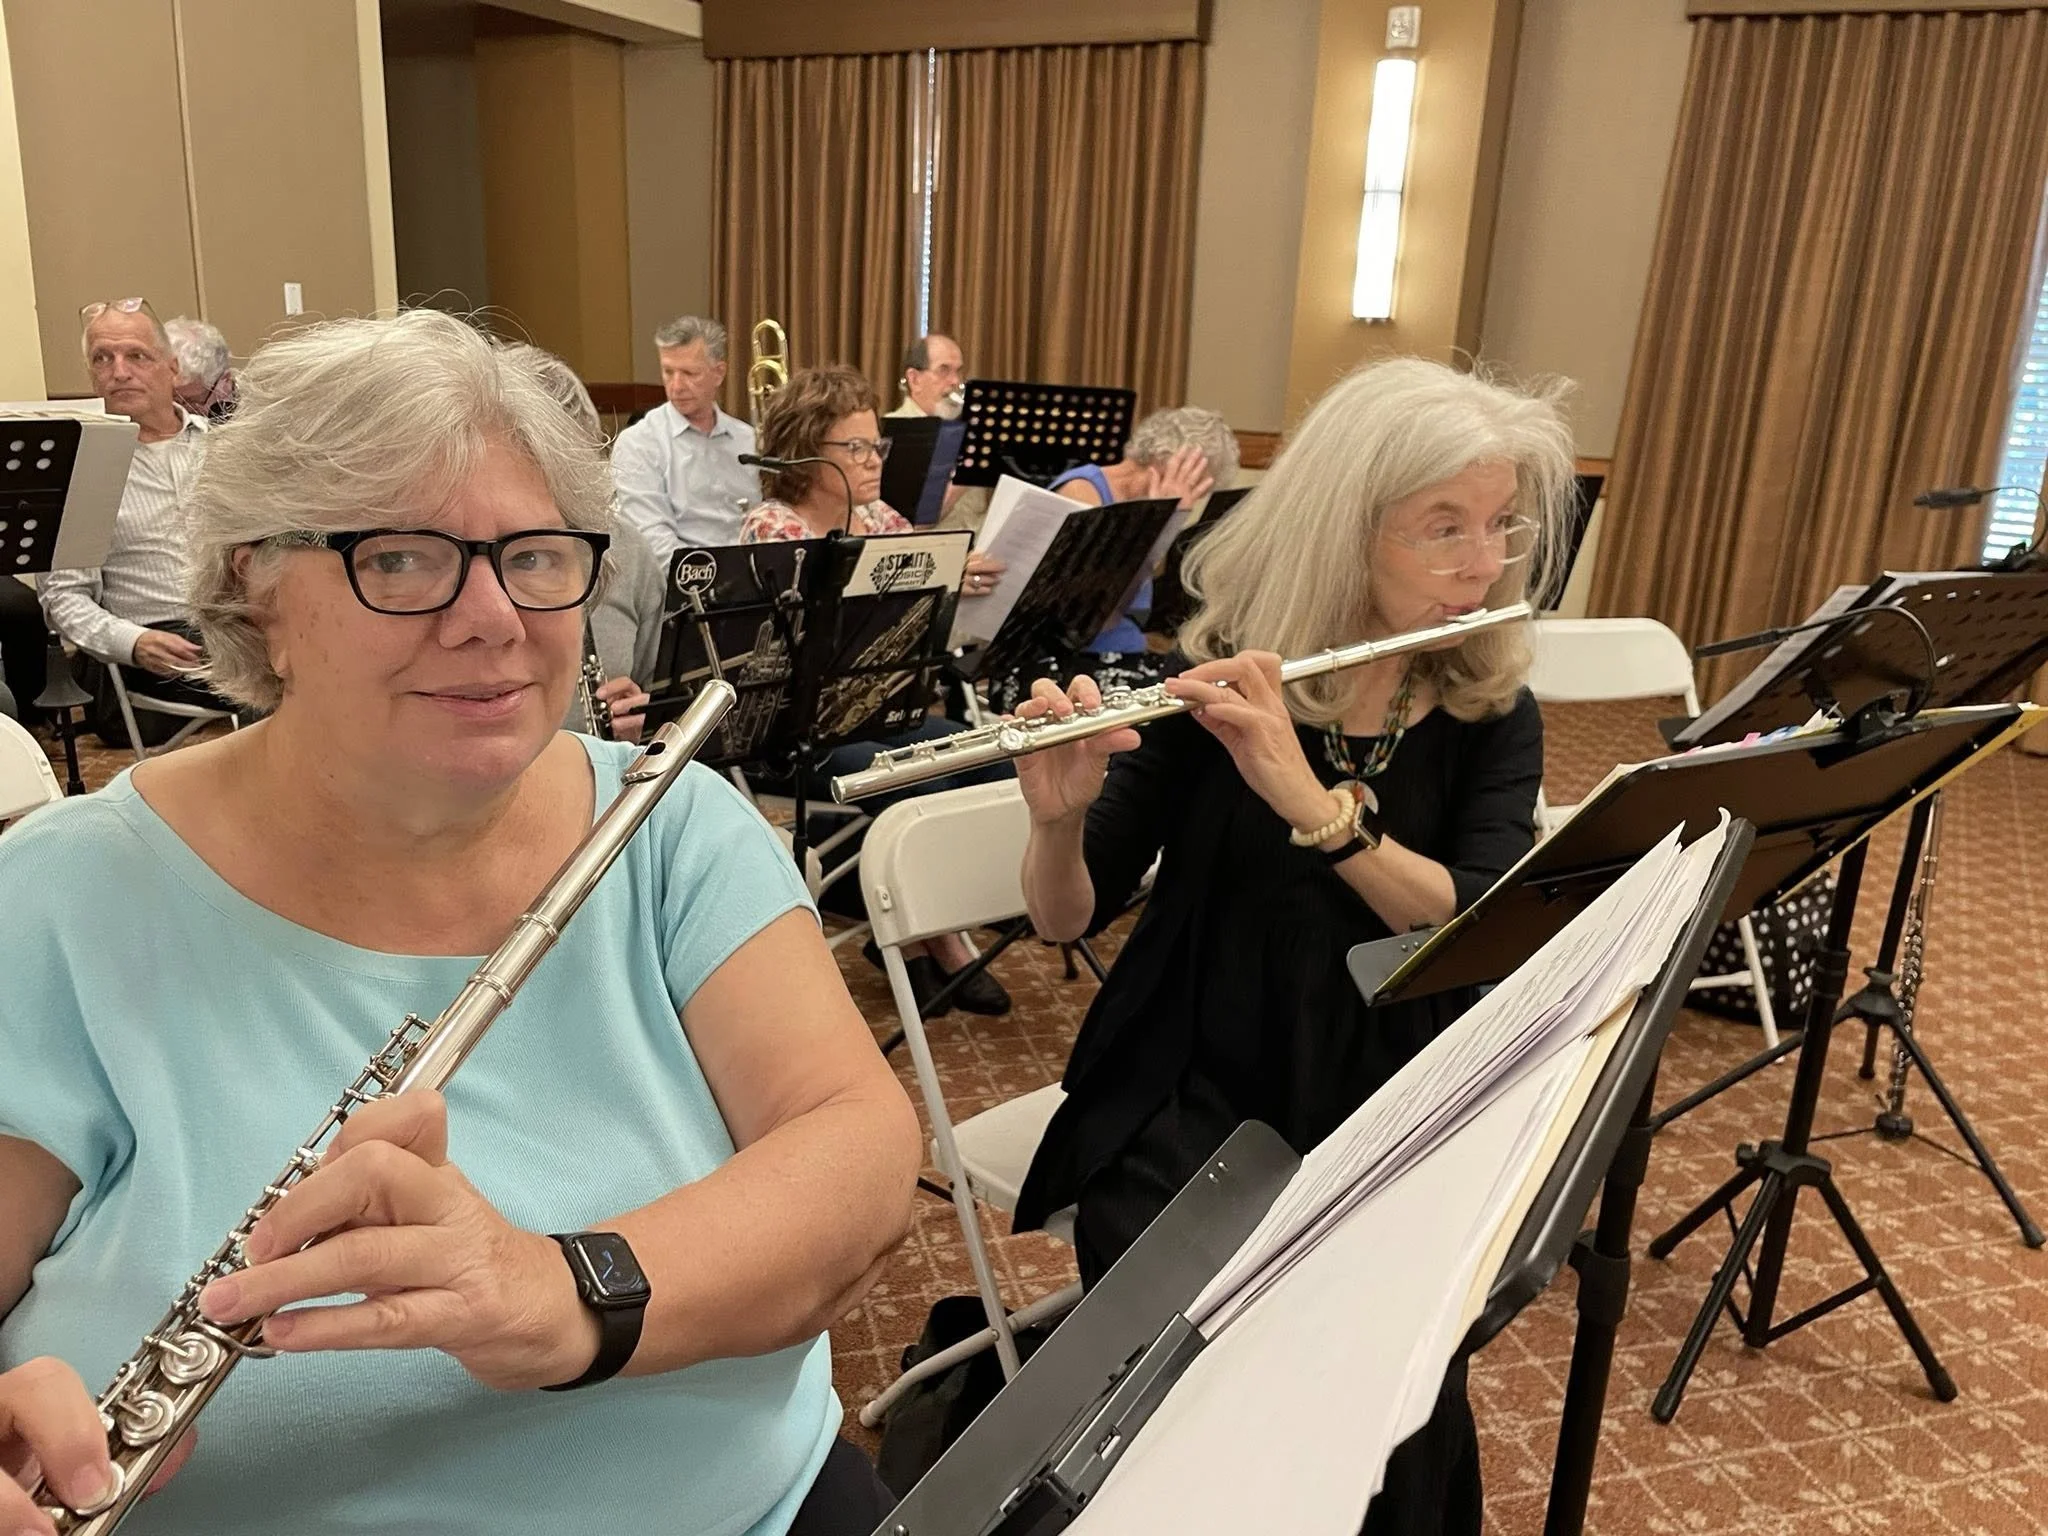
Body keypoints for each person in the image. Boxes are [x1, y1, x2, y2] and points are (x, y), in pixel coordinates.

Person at [0, 310, 920, 1536]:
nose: (493, 617)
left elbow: (853, 1152)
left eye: (536, 555)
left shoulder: (672, 827)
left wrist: (564, 1291)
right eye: (401, 558)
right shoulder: (63, 899)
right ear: (252, 585)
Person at [1007, 357, 1572, 1535]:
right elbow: (1066, 916)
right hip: (1190, 1083)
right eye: (1442, 530)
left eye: (1498, 527)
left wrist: (1303, 795)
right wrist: (1055, 819)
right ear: (1343, 529)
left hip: (1393, 1082)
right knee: (1215, 1349)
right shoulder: (1208, 684)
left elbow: (1464, 912)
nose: (1482, 564)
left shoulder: (1483, 705)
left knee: (1403, 1370)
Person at [739, 365, 1012, 1017]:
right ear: (806, 454)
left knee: (987, 754)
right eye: (855, 448)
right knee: (921, 778)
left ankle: (928, 933)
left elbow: (920, 597)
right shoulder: (774, 529)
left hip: (879, 713)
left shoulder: (878, 516)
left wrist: (956, 575)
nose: (872, 461)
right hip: (799, 732)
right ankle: (938, 941)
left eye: (875, 446)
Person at [39, 298, 235, 747]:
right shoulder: (82, 470)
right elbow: (65, 598)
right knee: (283, 684)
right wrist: (133, 642)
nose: (119, 371)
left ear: (172, 368)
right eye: (102, 358)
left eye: (136, 356)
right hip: (160, 642)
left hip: (242, 626)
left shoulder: (224, 451)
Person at [501, 342, 664, 744]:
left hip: (605, 783)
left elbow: (659, 690)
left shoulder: (625, 546)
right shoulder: (458, 558)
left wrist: (643, 716)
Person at [611, 316, 759, 561]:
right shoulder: (639, 443)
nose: (676, 386)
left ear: (719, 373)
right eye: (668, 372)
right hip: (685, 584)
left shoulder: (748, 439)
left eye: (690, 373)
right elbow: (652, 541)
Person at [164, 316, 237, 421]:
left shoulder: (254, 413)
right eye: (172, 399)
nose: (178, 409)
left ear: (224, 381)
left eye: (189, 402)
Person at [886, 334, 965, 420]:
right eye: (943, 371)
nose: (955, 381)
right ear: (914, 380)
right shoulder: (891, 429)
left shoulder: (964, 427)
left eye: (958, 371)